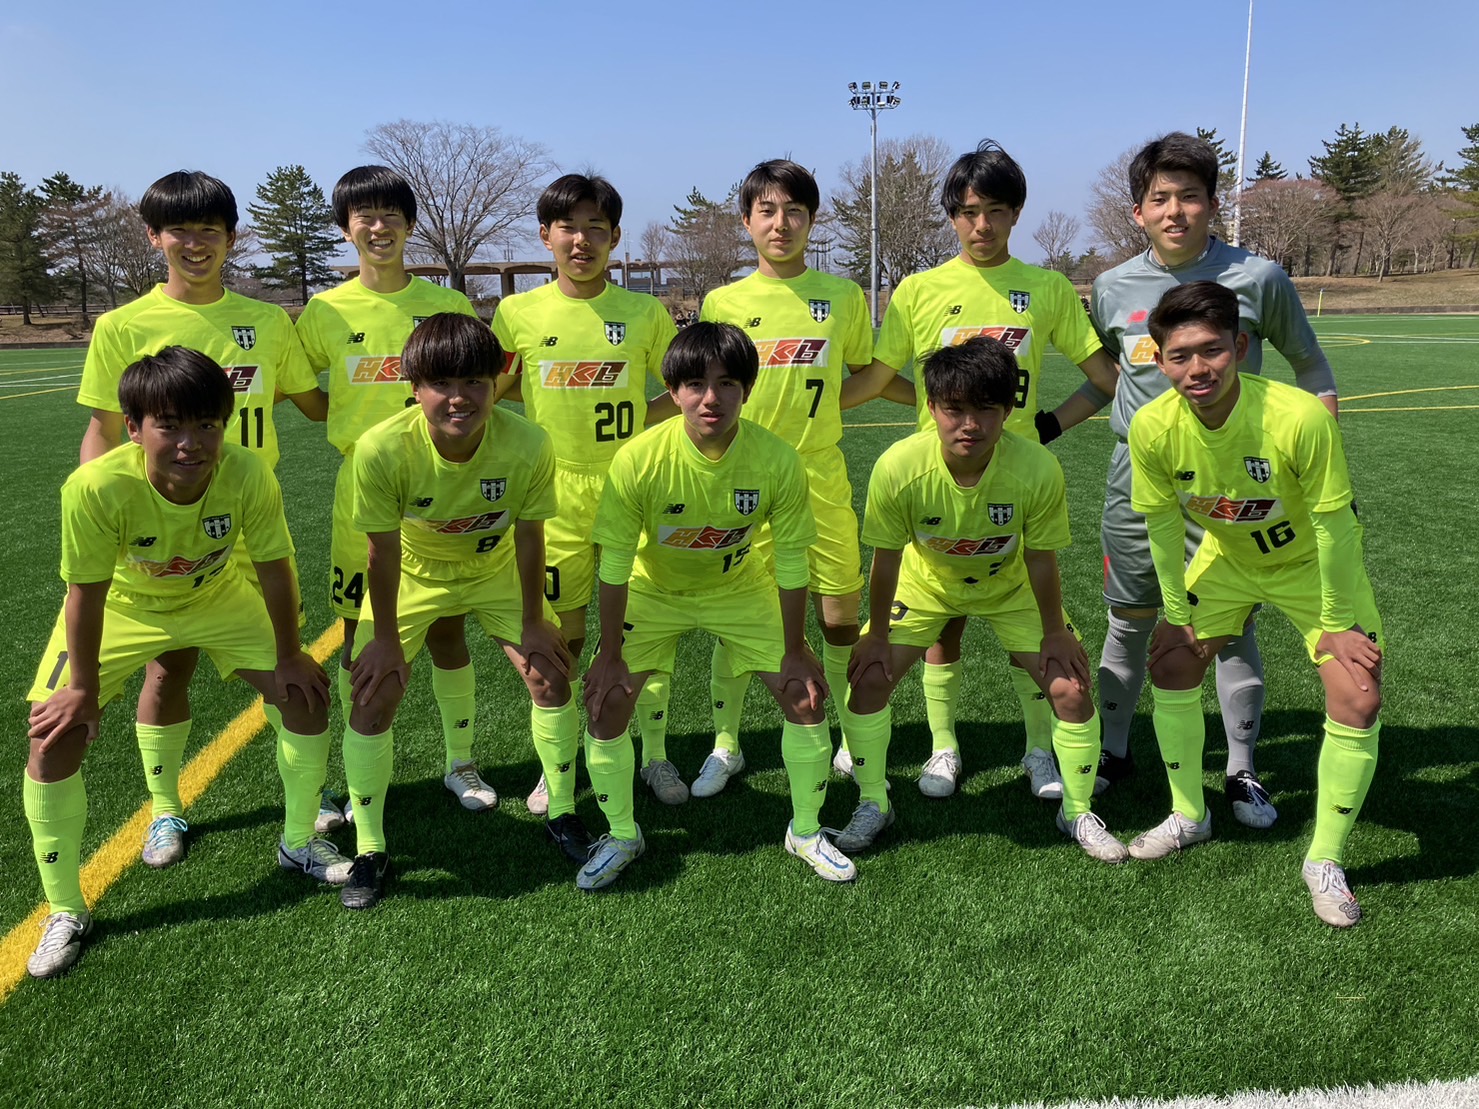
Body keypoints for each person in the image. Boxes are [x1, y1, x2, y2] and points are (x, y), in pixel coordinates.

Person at [24, 347, 337, 979]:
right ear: (134, 428)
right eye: (169, 426)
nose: (191, 443)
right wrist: (81, 687)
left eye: (207, 425)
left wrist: (289, 654)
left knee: (303, 695)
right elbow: (85, 593)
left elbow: (275, 567)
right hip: (126, 606)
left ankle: (300, 842)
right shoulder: (95, 486)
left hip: (217, 597)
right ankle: (68, 907)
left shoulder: (246, 472)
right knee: (52, 737)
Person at [1080, 132, 1339, 826]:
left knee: (1228, 626)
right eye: (1159, 197)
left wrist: (1321, 453)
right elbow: (1107, 379)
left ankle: (1240, 769)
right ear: (1137, 210)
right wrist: (1044, 425)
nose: (1175, 210)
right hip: (1138, 482)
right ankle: (1113, 752)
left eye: (1189, 196)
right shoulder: (1109, 288)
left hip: (1231, 492)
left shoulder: (1259, 277)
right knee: (1130, 618)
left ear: (1212, 203)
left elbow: (1311, 366)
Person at [75, 170, 326, 869]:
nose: (194, 243)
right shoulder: (122, 326)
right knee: (168, 669)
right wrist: (104, 516)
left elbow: (313, 404)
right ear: (153, 237)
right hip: (164, 530)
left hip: (251, 522)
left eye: (209, 230)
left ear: (231, 237)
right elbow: (102, 432)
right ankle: (164, 808)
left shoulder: (269, 322)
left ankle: (306, 797)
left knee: (284, 666)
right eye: (178, 231)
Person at [867, 140, 1119, 800]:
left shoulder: (1047, 288)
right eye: (968, 211)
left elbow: (1103, 378)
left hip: (1014, 477)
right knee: (942, 626)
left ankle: (1038, 751)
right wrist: (930, 407)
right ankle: (943, 745)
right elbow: (878, 375)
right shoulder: (918, 290)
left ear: (1016, 214)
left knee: (1025, 632)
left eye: (996, 211)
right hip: (937, 482)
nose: (981, 225)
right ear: (952, 215)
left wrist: (1049, 425)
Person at [1126, 281, 1379, 927]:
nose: (1197, 368)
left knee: (1357, 693)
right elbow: (1161, 528)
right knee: (1171, 664)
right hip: (1230, 561)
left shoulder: (1298, 417)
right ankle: (1189, 814)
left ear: (1238, 348)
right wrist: (1176, 616)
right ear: (1160, 360)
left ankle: (1324, 859)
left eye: (1211, 350)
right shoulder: (1152, 427)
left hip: (1311, 567)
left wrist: (1337, 623)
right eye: (1179, 355)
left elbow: (1335, 527)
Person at [582, 322, 854, 888]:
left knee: (804, 696)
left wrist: (796, 647)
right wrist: (608, 653)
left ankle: (806, 832)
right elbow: (613, 564)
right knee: (607, 704)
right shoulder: (639, 459)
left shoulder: (776, 459)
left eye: (728, 383)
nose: (711, 398)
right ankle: (623, 835)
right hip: (655, 591)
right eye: (695, 385)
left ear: (747, 390)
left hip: (739, 589)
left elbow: (792, 563)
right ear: (673, 391)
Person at [847, 336, 1126, 861]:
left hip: (1009, 587)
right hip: (928, 585)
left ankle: (1077, 810)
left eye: (986, 409)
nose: (969, 424)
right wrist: (877, 634)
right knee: (867, 681)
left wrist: (1054, 631)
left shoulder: (1036, 467)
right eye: (954, 409)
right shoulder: (897, 466)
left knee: (1071, 690)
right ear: (932, 407)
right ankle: (873, 802)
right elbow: (885, 558)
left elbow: (1040, 558)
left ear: (1008, 410)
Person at [340, 313, 575, 908]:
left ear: (496, 383)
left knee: (550, 676)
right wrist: (385, 640)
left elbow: (530, 537)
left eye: (474, 381)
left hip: (495, 570)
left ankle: (565, 813)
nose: (459, 397)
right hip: (415, 574)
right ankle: (369, 847)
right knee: (373, 693)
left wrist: (532, 622)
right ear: (413, 387)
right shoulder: (381, 448)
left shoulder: (529, 442)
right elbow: (382, 553)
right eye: (441, 383)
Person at [678, 160, 890, 820]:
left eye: (794, 210)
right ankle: (726, 743)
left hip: (819, 478)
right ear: (746, 221)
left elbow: (867, 372)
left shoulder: (843, 297)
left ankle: (849, 738)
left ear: (811, 219)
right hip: (741, 481)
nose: (781, 223)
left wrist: (823, 408)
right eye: (767, 211)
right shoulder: (723, 302)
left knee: (838, 616)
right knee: (738, 616)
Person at [295, 165, 488, 829]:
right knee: (360, 633)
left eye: (391, 216)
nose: (378, 228)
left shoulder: (447, 304)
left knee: (447, 626)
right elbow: (306, 391)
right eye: (364, 217)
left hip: (444, 484)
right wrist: (353, 433)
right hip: (362, 489)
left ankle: (461, 761)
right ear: (345, 228)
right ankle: (354, 780)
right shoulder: (325, 311)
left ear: (410, 224)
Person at [491, 174, 678, 818]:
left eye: (596, 228)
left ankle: (655, 754)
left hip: (632, 485)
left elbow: (684, 385)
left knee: (644, 629)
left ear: (615, 237)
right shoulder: (517, 314)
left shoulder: (646, 313)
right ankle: (560, 764)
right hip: (554, 493)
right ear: (546, 236)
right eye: (568, 227)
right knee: (561, 637)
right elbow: (496, 390)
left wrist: (643, 417)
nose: (581, 240)